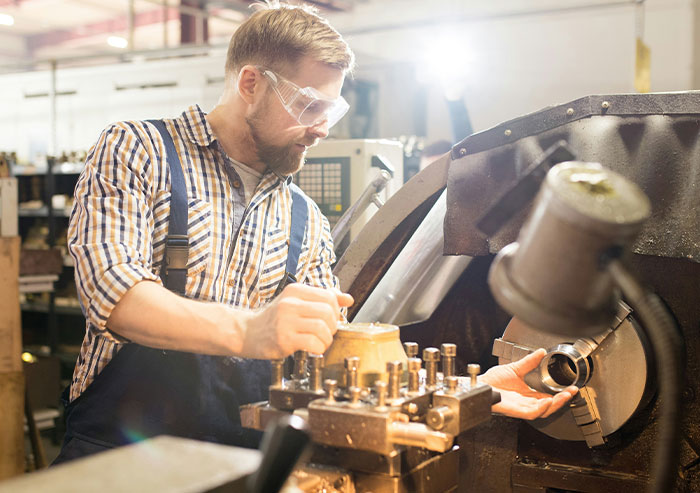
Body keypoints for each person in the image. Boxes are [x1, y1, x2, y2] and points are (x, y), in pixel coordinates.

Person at [54, 0, 576, 465]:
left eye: (333, 109)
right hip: (118, 456)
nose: (324, 127)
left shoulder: (304, 218)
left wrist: (469, 393)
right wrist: (248, 331)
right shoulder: (137, 151)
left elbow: (336, 360)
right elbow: (113, 295)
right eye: (309, 105)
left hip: (240, 466)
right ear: (251, 83)